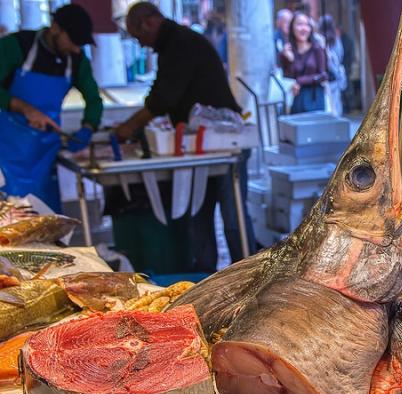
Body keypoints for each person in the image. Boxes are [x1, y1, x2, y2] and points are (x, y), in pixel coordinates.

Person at [115, 2, 255, 271]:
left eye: (138, 36)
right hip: (202, 145)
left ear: (149, 22)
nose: (141, 44)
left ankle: (248, 278)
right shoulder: (172, 45)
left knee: (232, 216)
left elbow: (163, 98)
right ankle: (205, 277)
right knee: (199, 214)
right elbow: (163, 95)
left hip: (225, 142)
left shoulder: (180, 43)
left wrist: (129, 127)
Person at [0, 4, 101, 212]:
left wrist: (89, 127)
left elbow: (94, 99)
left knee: (48, 224)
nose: (75, 48)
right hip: (7, 152)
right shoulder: (16, 46)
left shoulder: (76, 60)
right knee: (13, 226)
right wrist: (25, 109)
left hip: (46, 155)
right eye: (72, 41)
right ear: (55, 28)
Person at [279, 12, 327, 114]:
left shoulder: (317, 48)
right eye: (300, 24)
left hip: (314, 99)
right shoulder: (287, 50)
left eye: (307, 25)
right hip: (296, 101)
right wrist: (289, 60)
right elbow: (287, 78)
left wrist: (300, 81)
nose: (304, 28)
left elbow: (323, 75)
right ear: (292, 28)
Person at [320, 15, 346, 117]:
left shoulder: (319, 39)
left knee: (327, 105)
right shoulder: (336, 39)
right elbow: (341, 55)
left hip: (325, 76)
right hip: (335, 76)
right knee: (336, 103)